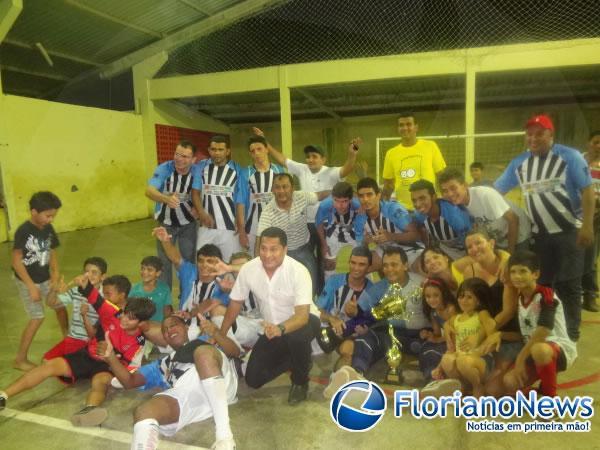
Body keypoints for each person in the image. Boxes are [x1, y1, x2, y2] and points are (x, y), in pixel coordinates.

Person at [0, 276, 155, 427]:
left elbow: (131, 368)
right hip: (87, 355)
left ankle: (88, 410)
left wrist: (116, 375)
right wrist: (85, 284)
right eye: (125, 314)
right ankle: (3, 395)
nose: (124, 319)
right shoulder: (115, 314)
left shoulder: (139, 342)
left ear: (141, 323)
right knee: (49, 366)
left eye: (131, 319)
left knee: (100, 383)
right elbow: (96, 299)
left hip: (107, 367)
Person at [495, 114, 594, 341]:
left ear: (551, 135)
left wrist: (587, 225)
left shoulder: (570, 157)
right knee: (544, 285)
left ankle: (570, 335)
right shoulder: (519, 164)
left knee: (569, 285)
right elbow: (496, 190)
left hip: (570, 232)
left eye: (539, 133)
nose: (533, 138)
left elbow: (587, 190)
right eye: (529, 134)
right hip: (540, 237)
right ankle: (548, 329)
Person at [103, 315, 239, 450]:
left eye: (173, 325)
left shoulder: (205, 339)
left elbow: (235, 352)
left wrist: (215, 332)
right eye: (165, 330)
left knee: (202, 352)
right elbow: (129, 382)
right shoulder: (161, 364)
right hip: (190, 394)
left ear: (186, 327)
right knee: (143, 412)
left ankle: (224, 437)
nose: (169, 330)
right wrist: (111, 357)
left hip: (220, 383)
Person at [219, 227, 319, 405]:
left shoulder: (299, 271)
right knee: (253, 379)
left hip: (303, 322)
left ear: (285, 250)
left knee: (297, 337)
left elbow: (303, 316)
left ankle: (300, 381)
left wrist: (281, 329)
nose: (267, 254)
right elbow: (235, 304)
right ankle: (298, 359)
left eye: (274, 249)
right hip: (272, 327)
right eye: (263, 248)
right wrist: (221, 333)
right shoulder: (249, 269)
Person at [255, 127, 360, 292]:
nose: (310, 160)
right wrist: (265, 142)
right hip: (307, 224)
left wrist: (352, 154)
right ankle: (310, 290)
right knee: (309, 259)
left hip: (327, 224)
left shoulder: (331, 172)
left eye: (315, 156)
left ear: (323, 159)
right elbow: (282, 159)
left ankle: (326, 290)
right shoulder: (302, 169)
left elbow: (347, 168)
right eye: (308, 157)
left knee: (326, 258)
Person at [324, 247, 427, 397]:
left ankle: (435, 381)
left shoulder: (421, 284)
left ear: (405, 265)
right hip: (388, 335)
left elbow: (438, 309)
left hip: (418, 337)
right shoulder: (378, 288)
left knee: (433, 349)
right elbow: (360, 313)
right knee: (365, 339)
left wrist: (435, 331)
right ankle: (354, 375)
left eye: (394, 264)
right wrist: (354, 311)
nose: (389, 269)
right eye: (385, 265)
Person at [502, 251, 577, 397]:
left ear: (535, 274)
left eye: (523, 271)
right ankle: (537, 394)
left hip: (556, 348)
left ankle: (550, 401)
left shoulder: (545, 295)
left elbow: (544, 330)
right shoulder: (519, 298)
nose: (517, 276)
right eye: (513, 272)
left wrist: (520, 358)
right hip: (532, 350)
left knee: (539, 349)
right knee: (509, 382)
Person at [12, 191, 66, 371]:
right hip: (27, 279)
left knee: (60, 306)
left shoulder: (48, 228)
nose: (51, 219)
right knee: (37, 317)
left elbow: (51, 251)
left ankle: (67, 339)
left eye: (53, 216)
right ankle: (20, 359)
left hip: (44, 277)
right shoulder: (24, 231)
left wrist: (55, 273)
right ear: (34, 212)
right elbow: (16, 261)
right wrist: (31, 287)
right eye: (48, 215)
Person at [424, 278, 496, 397]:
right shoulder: (455, 319)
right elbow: (451, 348)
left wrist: (476, 351)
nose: (464, 301)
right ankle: (463, 386)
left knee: (463, 360)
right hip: (462, 359)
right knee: (447, 359)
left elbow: (492, 337)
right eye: (461, 296)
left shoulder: (482, 315)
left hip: (481, 360)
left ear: (479, 300)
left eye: (469, 297)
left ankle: (478, 386)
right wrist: (439, 368)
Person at [153, 227, 229, 337]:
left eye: (210, 261)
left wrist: (228, 291)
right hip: (182, 325)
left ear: (219, 264)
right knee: (148, 328)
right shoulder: (190, 272)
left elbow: (216, 306)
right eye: (201, 261)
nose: (204, 265)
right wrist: (165, 241)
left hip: (207, 331)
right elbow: (176, 258)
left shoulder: (223, 284)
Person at [438, 167, 530, 254]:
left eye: (453, 188)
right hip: (499, 239)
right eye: (445, 191)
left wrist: (510, 254)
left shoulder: (485, 195)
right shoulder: (457, 206)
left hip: (518, 235)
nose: (450, 194)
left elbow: (513, 219)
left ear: (465, 185)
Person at [146, 140, 198, 290]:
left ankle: (186, 297)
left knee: (187, 262)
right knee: (163, 263)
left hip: (188, 225)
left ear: (193, 160)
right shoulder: (165, 168)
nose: (179, 159)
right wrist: (166, 199)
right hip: (166, 224)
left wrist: (199, 209)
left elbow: (206, 192)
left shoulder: (197, 172)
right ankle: (165, 301)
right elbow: (149, 191)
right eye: (177, 154)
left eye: (185, 156)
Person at [256, 173, 319, 293]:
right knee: (285, 291)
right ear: (272, 190)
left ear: (293, 188)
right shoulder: (268, 212)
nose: (281, 191)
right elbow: (260, 239)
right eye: (277, 187)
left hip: (304, 250)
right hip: (283, 255)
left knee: (310, 287)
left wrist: (338, 192)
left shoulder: (302, 197)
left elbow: (319, 195)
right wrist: (258, 267)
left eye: (285, 186)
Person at [316, 246, 373, 370]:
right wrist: (332, 319)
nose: (356, 268)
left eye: (362, 264)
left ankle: (339, 381)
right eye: (353, 263)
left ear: (369, 268)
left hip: (355, 336)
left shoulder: (372, 290)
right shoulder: (334, 281)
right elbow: (317, 311)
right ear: (349, 262)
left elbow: (371, 320)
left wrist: (366, 329)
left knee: (348, 352)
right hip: (331, 332)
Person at [192, 135, 247, 262]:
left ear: (228, 151)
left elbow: (240, 200)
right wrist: (201, 213)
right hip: (206, 227)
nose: (216, 153)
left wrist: (240, 223)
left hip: (230, 229)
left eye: (221, 149)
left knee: (230, 264)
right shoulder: (201, 167)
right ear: (209, 150)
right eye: (213, 149)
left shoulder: (238, 171)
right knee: (203, 263)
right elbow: (195, 193)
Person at [44, 257, 107, 360]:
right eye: (86, 271)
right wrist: (53, 291)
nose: (88, 275)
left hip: (91, 342)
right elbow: (51, 303)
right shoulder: (76, 290)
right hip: (72, 339)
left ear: (103, 277)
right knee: (46, 361)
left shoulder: (105, 295)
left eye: (94, 272)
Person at [354, 177, 422, 269]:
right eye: (361, 196)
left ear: (378, 195)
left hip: (409, 249)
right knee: (359, 268)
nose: (365, 199)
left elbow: (416, 235)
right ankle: (386, 283)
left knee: (422, 269)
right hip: (384, 250)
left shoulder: (392, 209)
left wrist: (391, 236)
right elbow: (361, 249)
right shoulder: (359, 219)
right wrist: (365, 242)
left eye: (369, 195)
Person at [382, 111, 446, 209]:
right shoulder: (391, 153)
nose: (405, 128)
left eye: (409, 124)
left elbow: (442, 176)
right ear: (398, 129)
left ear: (416, 127)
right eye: (401, 125)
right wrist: (381, 205)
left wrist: (446, 200)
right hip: (403, 210)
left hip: (429, 208)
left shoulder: (430, 146)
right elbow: (388, 185)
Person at [240, 135, 285, 256]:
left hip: (277, 225)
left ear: (267, 149)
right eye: (253, 151)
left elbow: (286, 199)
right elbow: (240, 203)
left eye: (259, 149)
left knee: (276, 259)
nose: (257, 153)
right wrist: (241, 232)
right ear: (250, 154)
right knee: (254, 262)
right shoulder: (246, 173)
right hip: (252, 227)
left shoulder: (279, 170)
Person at [410, 179, 471, 261]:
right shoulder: (419, 214)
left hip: (465, 254)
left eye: (422, 198)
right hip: (443, 252)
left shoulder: (455, 217)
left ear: (434, 197)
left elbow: (471, 244)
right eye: (414, 200)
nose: (417, 204)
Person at [315, 181, 361, 279]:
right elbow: (319, 224)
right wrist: (323, 244)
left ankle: (366, 287)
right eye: (336, 200)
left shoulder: (358, 205)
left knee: (362, 260)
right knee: (329, 263)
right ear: (332, 198)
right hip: (334, 231)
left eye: (344, 201)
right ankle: (329, 288)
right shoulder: (325, 205)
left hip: (354, 231)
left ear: (350, 199)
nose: (340, 205)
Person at [417, 277, 457, 382]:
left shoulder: (451, 309)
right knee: (425, 347)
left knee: (432, 351)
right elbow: (437, 334)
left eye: (436, 295)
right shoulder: (433, 312)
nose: (431, 300)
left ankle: (436, 376)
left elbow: (454, 337)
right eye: (428, 296)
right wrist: (428, 334)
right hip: (445, 341)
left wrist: (437, 340)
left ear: (443, 294)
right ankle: (430, 375)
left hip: (456, 343)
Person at [582, 130, 600, 312]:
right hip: (576, 214)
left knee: (591, 258)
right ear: (588, 142)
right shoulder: (577, 161)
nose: (599, 146)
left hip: (596, 218)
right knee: (574, 256)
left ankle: (590, 295)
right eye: (596, 142)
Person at [129, 256, 173, 322]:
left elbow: (167, 311)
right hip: (139, 327)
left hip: (157, 327)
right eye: (142, 268)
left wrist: (165, 326)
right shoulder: (135, 289)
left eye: (149, 270)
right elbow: (128, 309)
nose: (145, 272)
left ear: (158, 273)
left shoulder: (164, 289)